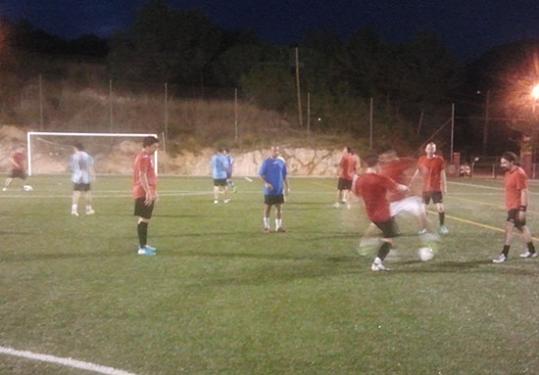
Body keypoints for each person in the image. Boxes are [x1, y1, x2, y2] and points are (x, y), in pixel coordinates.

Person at [353, 154, 408, 271]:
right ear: (377, 165)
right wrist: (405, 187)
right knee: (390, 236)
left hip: (371, 214)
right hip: (384, 214)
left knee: (391, 234)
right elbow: (397, 187)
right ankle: (377, 262)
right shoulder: (380, 179)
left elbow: (357, 194)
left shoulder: (360, 179)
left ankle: (381, 255)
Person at [492, 152, 537, 263]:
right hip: (511, 205)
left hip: (516, 206)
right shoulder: (508, 173)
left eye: (504, 162)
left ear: (512, 162)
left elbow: (524, 191)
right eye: (501, 162)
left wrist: (522, 209)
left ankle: (504, 254)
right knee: (522, 228)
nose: (502, 165)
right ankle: (532, 251)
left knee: (509, 229)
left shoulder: (519, 173)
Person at [380, 150, 430, 234]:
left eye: (388, 157)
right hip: (394, 199)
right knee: (384, 218)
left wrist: (422, 167)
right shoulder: (386, 168)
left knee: (421, 210)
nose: (386, 159)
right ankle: (390, 229)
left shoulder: (399, 163)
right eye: (385, 158)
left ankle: (424, 229)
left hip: (405, 197)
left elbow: (415, 162)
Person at [410, 142, 448, 234]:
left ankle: (442, 226)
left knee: (440, 208)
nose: (430, 150)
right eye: (429, 148)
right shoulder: (421, 159)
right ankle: (424, 228)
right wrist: (411, 181)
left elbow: (443, 173)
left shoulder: (439, 160)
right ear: (426, 149)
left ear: (434, 150)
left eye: (432, 148)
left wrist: (445, 186)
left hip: (436, 188)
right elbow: (418, 171)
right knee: (423, 209)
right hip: (425, 188)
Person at [133, 136, 159, 256]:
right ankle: (142, 248)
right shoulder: (143, 157)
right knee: (144, 219)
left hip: (146, 191)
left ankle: (143, 245)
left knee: (145, 219)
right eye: (154, 147)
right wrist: (148, 191)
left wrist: (154, 190)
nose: (155, 149)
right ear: (148, 146)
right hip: (143, 192)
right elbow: (142, 175)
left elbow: (148, 175)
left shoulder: (146, 157)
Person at [259, 146, 289, 233]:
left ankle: (278, 227)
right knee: (267, 208)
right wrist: (266, 183)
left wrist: (287, 187)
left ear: (278, 152)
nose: (275, 152)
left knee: (279, 208)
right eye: (273, 150)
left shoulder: (281, 162)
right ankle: (267, 227)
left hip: (279, 189)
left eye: (277, 151)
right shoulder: (266, 162)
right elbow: (261, 174)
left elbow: (284, 175)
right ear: (270, 151)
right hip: (269, 190)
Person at [70, 143, 96, 216]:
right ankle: (88, 209)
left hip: (77, 177)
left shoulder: (73, 156)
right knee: (87, 192)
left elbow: (72, 167)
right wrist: (93, 175)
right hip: (86, 177)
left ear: (76, 148)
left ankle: (74, 210)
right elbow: (90, 167)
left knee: (76, 193)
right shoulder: (87, 156)